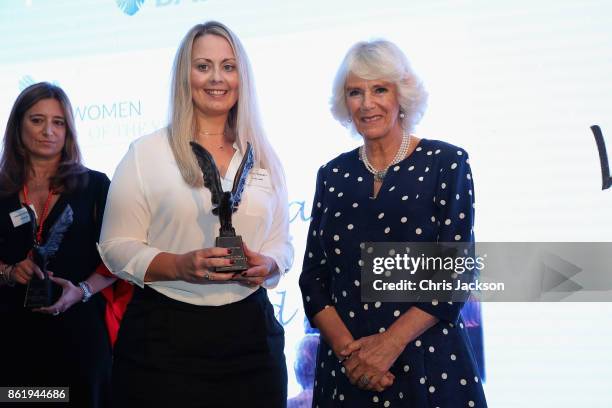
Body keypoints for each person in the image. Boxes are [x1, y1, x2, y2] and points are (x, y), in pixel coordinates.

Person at [98, 21, 293, 408]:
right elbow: (115, 248)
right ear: (185, 76)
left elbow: (282, 244)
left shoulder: (265, 155)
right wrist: (179, 266)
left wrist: (267, 264)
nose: (216, 78)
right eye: (203, 66)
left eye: (228, 66)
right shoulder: (146, 152)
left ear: (242, 77)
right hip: (163, 340)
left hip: (251, 339)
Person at [299, 40, 488, 407]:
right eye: (356, 92)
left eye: (379, 89)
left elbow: (454, 273)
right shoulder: (332, 174)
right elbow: (313, 278)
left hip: (430, 367)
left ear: (401, 94)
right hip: (346, 371)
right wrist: (352, 357)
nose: (367, 103)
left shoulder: (445, 162)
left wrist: (388, 345)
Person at [0, 82, 116, 407]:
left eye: (58, 122)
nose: (48, 131)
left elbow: (119, 259)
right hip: (12, 338)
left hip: (79, 336)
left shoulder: (95, 185)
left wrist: (83, 289)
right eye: (37, 120)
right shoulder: (2, 189)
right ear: (18, 125)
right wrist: (8, 271)